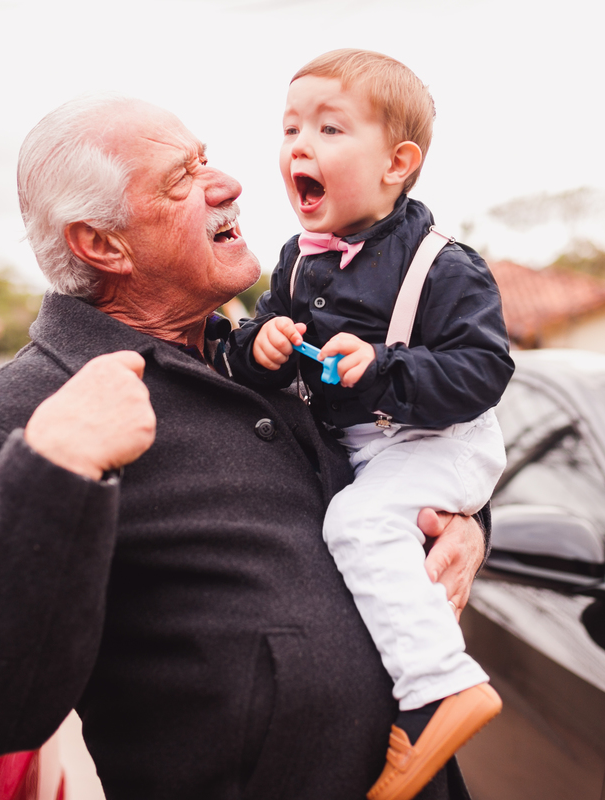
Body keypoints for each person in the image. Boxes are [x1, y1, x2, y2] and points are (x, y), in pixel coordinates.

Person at [0, 94, 490, 800]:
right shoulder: (21, 414)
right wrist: (57, 469)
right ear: (103, 244)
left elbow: (404, 445)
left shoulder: (281, 347)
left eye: (207, 158)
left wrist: (466, 528)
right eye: (182, 178)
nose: (228, 185)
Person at [228, 50, 514, 800]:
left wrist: (387, 367)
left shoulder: (444, 266)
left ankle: (440, 689)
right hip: (372, 451)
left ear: (398, 162)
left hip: (438, 441)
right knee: (361, 526)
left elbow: (484, 374)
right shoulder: (295, 263)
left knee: (357, 525)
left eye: (328, 128)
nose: (299, 144)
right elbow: (257, 347)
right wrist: (258, 350)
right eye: (289, 127)